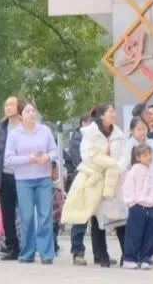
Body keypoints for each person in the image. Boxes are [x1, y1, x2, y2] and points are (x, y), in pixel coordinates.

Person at [65, 103, 126, 267]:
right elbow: (88, 155)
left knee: (117, 216)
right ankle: (93, 253)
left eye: (114, 111)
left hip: (114, 178)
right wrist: (109, 164)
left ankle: (122, 254)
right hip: (93, 177)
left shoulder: (119, 134)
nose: (114, 114)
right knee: (91, 216)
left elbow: (124, 154)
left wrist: (117, 168)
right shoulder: (89, 133)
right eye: (110, 111)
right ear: (101, 115)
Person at [3, 101, 57, 264]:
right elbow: (9, 159)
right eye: (27, 111)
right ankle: (27, 252)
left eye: (33, 111)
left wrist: (47, 157)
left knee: (45, 215)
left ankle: (46, 253)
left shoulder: (45, 130)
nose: (32, 114)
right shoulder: (14, 135)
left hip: (44, 178)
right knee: (26, 217)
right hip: (23, 180)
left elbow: (54, 150)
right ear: (20, 115)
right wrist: (29, 159)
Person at [0, 95, 23, 260]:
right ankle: (12, 246)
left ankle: (27, 245)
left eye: (12, 104)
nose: (8, 107)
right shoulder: (2, 127)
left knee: (25, 213)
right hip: (5, 175)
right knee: (7, 213)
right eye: (6, 104)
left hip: (23, 175)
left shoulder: (25, 125)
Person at [121, 145, 153, 270]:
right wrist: (132, 203)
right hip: (138, 206)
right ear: (138, 157)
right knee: (134, 234)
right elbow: (127, 188)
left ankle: (145, 258)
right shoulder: (134, 170)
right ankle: (130, 258)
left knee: (150, 235)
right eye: (145, 155)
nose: (149, 157)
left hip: (152, 207)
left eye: (150, 154)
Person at [65, 113, 90, 263]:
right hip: (82, 179)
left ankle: (101, 253)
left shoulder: (98, 137)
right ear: (83, 124)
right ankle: (77, 250)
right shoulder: (77, 139)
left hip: (96, 179)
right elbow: (79, 161)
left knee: (97, 219)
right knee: (80, 216)